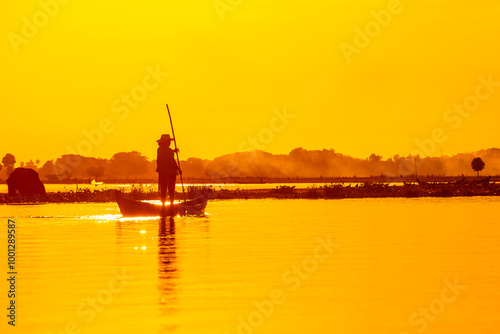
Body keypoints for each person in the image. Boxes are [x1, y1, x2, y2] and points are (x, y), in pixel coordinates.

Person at [156, 134, 181, 209]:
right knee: (171, 189)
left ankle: (163, 205)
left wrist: (173, 151)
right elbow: (172, 162)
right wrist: (179, 169)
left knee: (163, 189)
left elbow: (165, 153)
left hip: (162, 172)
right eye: (168, 142)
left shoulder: (159, 149)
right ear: (165, 142)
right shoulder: (169, 151)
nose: (170, 143)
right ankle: (171, 205)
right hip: (170, 173)